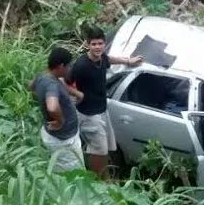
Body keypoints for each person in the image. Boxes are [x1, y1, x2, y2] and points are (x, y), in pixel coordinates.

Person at [66, 26, 144, 179]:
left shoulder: (101, 59)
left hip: (101, 110)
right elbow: (65, 81)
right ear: (87, 45)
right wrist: (77, 94)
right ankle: (101, 180)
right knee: (99, 150)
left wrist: (128, 61)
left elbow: (109, 59)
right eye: (94, 44)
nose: (97, 47)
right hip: (88, 115)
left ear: (104, 44)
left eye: (100, 44)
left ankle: (100, 174)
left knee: (102, 148)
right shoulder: (81, 65)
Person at [29, 47, 84, 172]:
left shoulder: (42, 76)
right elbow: (52, 107)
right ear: (61, 66)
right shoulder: (52, 85)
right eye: (68, 66)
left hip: (54, 135)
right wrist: (60, 121)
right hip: (64, 140)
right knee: (75, 175)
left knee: (60, 168)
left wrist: (76, 93)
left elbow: (31, 86)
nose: (70, 69)